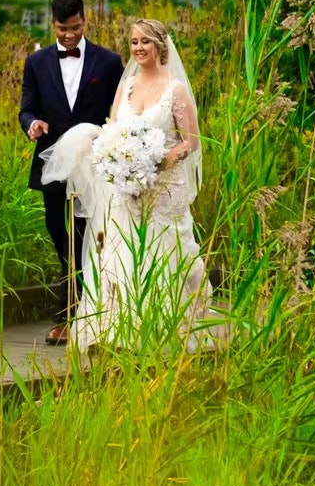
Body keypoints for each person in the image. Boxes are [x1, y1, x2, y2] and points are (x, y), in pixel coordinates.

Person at [41, 18, 213, 353]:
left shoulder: (174, 90)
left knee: (164, 250)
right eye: (134, 42)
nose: (138, 48)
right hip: (123, 188)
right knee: (117, 254)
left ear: (160, 45)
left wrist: (159, 161)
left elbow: (190, 142)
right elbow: (115, 130)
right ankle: (116, 328)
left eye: (145, 42)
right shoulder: (128, 85)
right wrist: (116, 158)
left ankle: (168, 323)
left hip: (162, 188)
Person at [19, 0, 124, 346]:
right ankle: (74, 306)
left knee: (85, 235)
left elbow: (121, 112)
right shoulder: (36, 63)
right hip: (52, 167)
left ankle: (73, 316)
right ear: (53, 24)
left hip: (94, 168)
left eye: (75, 28)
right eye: (63, 29)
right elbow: (27, 108)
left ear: (85, 21)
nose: (69, 35)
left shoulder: (109, 63)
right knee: (59, 236)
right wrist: (32, 124)